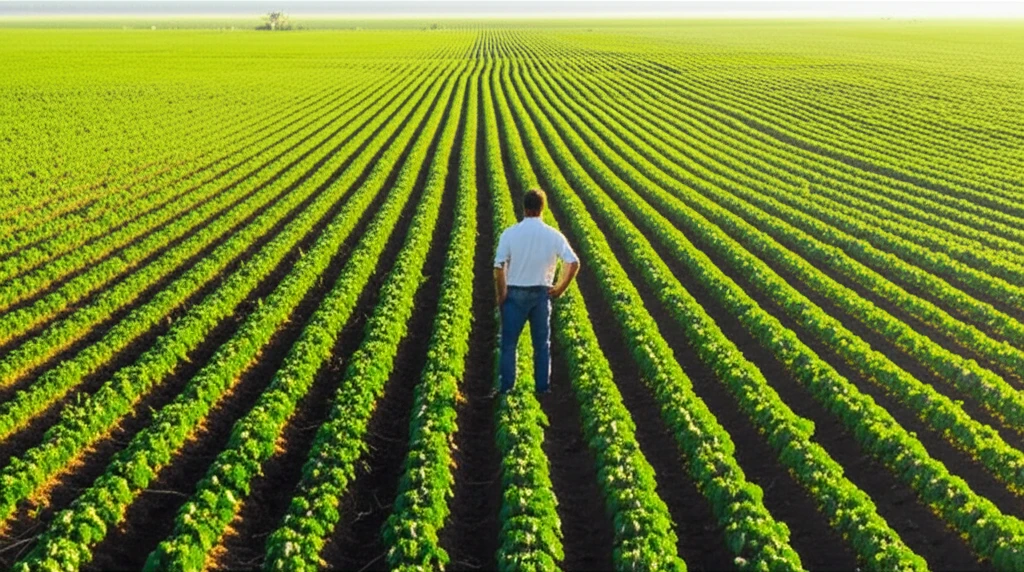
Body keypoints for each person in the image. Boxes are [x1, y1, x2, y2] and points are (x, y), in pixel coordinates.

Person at [493, 189, 580, 395]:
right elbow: (573, 262)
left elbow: (498, 267)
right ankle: (542, 389)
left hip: (515, 293)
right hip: (541, 294)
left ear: (524, 208)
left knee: (509, 344)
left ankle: (506, 388)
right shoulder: (553, 235)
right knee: (541, 345)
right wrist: (559, 288)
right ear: (543, 208)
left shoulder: (510, 233)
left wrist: (502, 293)